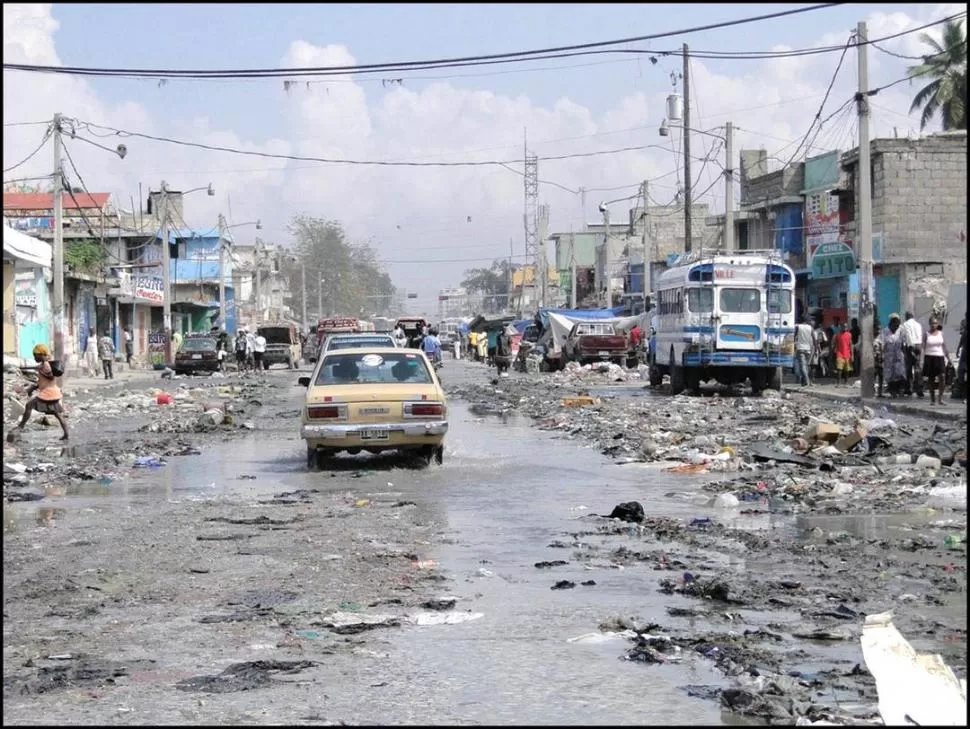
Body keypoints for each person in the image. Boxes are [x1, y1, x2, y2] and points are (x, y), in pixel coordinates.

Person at [17, 344, 69, 441]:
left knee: (29, 405)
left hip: (48, 393)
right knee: (57, 414)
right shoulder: (43, 365)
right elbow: (42, 380)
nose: (35, 357)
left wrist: (43, 370)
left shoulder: (45, 365)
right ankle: (66, 434)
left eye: (36, 355)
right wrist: (33, 387)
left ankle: (20, 427)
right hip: (53, 392)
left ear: (42, 354)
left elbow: (51, 377)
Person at [922, 317, 950, 405]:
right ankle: (932, 399)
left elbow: (944, 346)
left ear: (937, 324)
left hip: (940, 357)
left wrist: (949, 358)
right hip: (929, 357)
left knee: (942, 376)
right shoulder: (926, 334)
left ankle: (940, 399)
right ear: (929, 324)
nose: (933, 325)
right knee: (931, 379)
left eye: (935, 323)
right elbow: (923, 347)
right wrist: (921, 360)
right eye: (932, 323)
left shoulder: (941, 334)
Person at [881, 313, 907, 398]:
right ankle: (893, 391)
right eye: (895, 326)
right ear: (890, 324)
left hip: (899, 356)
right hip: (888, 358)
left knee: (901, 374)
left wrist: (906, 354)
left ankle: (901, 391)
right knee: (890, 376)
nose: (896, 328)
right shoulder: (885, 332)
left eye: (898, 326)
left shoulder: (901, 330)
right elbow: (881, 344)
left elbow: (904, 343)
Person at [900, 311, 923, 397]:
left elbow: (908, 336)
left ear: (906, 317)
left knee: (909, 368)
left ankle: (909, 389)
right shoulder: (918, 324)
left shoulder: (905, 324)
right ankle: (919, 389)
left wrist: (910, 347)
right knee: (918, 368)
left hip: (911, 346)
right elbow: (920, 336)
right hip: (919, 346)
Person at [793, 316, 814, 387]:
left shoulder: (798, 327)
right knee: (806, 366)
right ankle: (804, 382)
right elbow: (814, 339)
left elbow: (794, 336)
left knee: (802, 366)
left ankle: (807, 381)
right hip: (808, 349)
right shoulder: (811, 328)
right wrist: (815, 348)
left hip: (800, 348)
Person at [833, 322, 853, 387]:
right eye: (843, 326)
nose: (845, 327)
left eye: (846, 326)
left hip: (847, 354)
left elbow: (851, 345)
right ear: (840, 327)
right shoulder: (837, 335)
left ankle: (846, 383)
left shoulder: (849, 334)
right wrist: (834, 351)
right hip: (839, 354)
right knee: (839, 369)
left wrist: (852, 355)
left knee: (847, 370)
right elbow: (834, 344)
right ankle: (838, 383)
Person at [955, 313, 967, 402]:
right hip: (965, 353)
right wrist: (958, 348)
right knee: (961, 373)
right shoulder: (964, 323)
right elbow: (962, 337)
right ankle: (963, 394)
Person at [872, 323, 885, 398]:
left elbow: (883, 349)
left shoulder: (881, 338)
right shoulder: (871, 339)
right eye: (877, 329)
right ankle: (872, 391)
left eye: (880, 329)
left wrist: (883, 356)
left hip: (880, 360)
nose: (878, 331)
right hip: (872, 361)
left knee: (881, 377)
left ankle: (880, 393)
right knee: (873, 377)